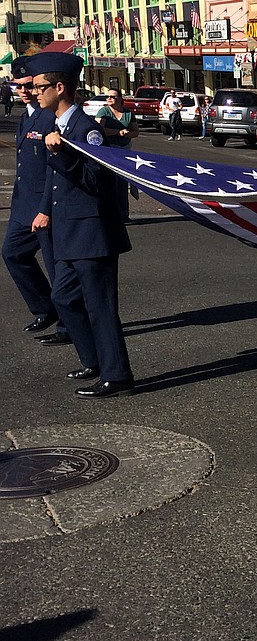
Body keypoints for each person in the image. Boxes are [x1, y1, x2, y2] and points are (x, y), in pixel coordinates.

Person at [31, 52, 134, 398]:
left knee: (100, 306)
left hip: (92, 232)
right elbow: (54, 183)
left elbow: (94, 182)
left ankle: (117, 375)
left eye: (39, 86)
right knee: (63, 297)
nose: (34, 92)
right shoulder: (56, 127)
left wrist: (60, 155)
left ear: (60, 88)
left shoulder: (87, 130)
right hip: (70, 232)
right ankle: (93, 360)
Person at [2, 59, 71, 346]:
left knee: (58, 271)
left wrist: (46, 207)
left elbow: (54, 167)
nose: (24, 91)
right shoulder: (27, 115)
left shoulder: (50, 116)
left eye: (30, 85)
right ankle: (45, 308)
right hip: (23, 206)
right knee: (12, 254)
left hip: (46, 206)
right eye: (18, 87)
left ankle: (69, 326)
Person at [96, 90, 139, 219]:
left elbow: (135, 131)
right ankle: (110, 214)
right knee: (110, 182)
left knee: (122, 182)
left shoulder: (128, 113)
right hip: (109, 150)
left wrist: (127, 134)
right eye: (107, 96)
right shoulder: (103, 112)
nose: (109, 99)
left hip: (124, 150)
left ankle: (124, 213)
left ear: (120, 99)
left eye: (112, 97)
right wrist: (118, 132)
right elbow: (98, 130)